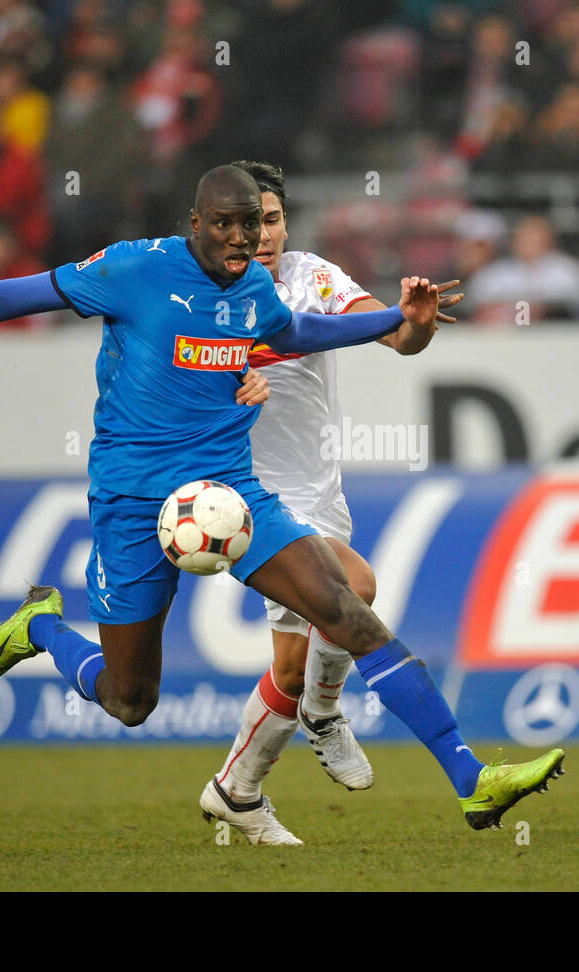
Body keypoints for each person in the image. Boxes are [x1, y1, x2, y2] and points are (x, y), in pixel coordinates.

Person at [0, 164, 565, 839]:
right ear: (196, 226)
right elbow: (15, 295)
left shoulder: (257, 290)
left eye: (255, 223)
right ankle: (42, 629)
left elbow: (300, 329)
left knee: (347, 609)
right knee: (130, 700)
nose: (243, 239)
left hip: (230, 494)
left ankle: (472, 780)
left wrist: (395, 318)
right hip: (133, 501)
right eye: (229, 225)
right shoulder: (133, 269)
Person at [203, 160, 463, 845]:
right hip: (254, 497)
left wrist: (420, 321)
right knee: (358, 585)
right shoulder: (197, 295)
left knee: (289, 667)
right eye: (245, 222)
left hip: (323, 494)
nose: (261, 235)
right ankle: (325, 714)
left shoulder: (312, 277)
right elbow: (174, 391)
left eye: (272, 219)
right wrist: (228, 396)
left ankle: (235, 789)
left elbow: (397, 337)